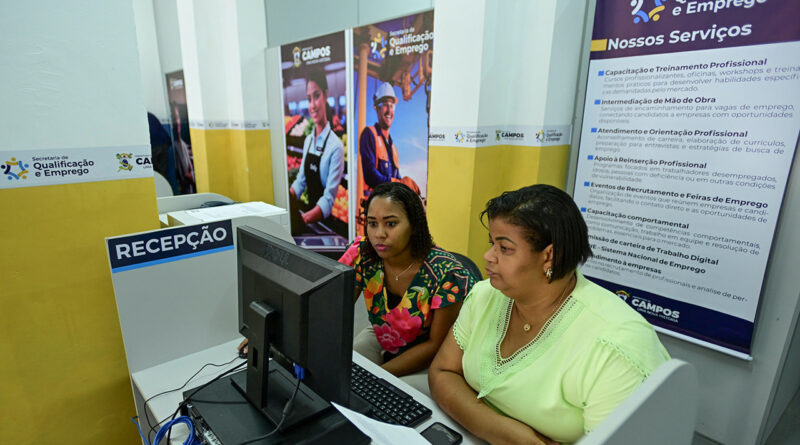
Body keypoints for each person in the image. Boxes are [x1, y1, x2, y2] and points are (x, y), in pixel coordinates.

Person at [429, 184, 670, 445]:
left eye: (504, 248)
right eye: (491, 244)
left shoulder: (615, 346)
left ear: (549, 256)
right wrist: (504, 432)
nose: (488, 256)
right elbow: (443, 371)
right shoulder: (485, 295)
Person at [342, 182, 475, 383]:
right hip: (386, 333)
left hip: (433, 353)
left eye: (391, 224)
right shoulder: (363, 253)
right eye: (372, 223)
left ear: (413, 226)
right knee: (343, 373)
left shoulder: (446, 274)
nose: (379, 234)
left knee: (383, 392)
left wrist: (377, 376)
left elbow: (435, 345)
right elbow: (335, 307)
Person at [289, 69, 345, 227]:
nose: (312, 105)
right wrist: (286, 199)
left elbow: (328, 199)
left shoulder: (336, 147)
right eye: (309, 99)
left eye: (317, 96)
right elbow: (300, 182)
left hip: (325, 224)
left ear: (326, 95)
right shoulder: (308, 141)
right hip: (307, 217)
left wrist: (303, 220)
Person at [357, 82, 420, 216]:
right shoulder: (369, 134)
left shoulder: (393, 148)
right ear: (377, 108)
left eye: (392, 106)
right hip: (374, 211)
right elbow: (370, 175)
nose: (389, 110)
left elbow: (397, 178)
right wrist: (397, 184)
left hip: (389, 210)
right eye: (385, 104)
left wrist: (405, 188)